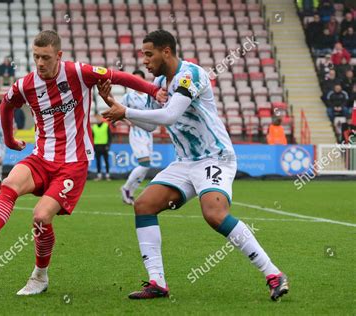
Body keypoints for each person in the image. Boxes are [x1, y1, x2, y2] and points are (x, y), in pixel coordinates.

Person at [0, 30, 166, 296]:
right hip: (40, 157)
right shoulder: (25, 84)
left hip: (73, 163)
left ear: (58, 55)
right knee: (9, 184)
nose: (40, 63)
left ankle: (39, 276)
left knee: (40, 216)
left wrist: (154, 89)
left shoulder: (79, 73)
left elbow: (118, 77)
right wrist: (11, 139)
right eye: (35, 56)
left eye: (45, 57)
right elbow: (6, 105)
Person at [100, 30, 288, 301]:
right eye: (143, 54)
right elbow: (153, 124)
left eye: (149, 54)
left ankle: (273, 273)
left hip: (214, 157)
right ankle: (157, 283)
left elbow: (170, 115)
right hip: (185, 162)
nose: (144, 60)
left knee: (214, 214)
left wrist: (126, 112)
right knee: (144, 205)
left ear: (167, 51)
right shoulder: (159, 82)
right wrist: (114, 105)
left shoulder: (191, 75)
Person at [116, 70, 154, 204]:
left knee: (146, 166)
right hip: (137, 132)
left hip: (148, 133)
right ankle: (126, 188)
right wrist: (129, 122)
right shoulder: (128, 97)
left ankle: (130, 194)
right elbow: (118, 111)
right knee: (145, 163)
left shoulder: (149, 96)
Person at [92, 114, 112, 181]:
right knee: (98, 161)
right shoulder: (94, 127)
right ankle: (99, 175)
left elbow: (110, 137)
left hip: (104, 146)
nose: (98, 120)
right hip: (97, 146)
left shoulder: (106, 126)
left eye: (99, 118)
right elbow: (92, 137)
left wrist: (108, 145)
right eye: (97, 118)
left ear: (101, 119)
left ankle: (107, 175)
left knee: (106, 161)